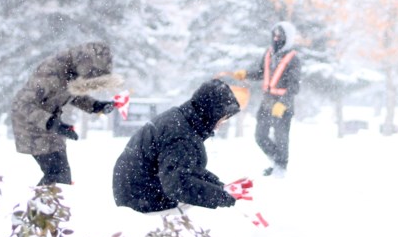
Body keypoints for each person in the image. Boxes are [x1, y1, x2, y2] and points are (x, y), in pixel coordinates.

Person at [112, 79, 242, 214]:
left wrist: (220, 187)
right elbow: (177, 184)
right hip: (143, 198)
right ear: (211, 113)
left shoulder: (183, 122)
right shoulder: (180, 134)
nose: (222, 123)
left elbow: (188, 169)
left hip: (141, 190)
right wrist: (220, 195)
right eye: (223, 118)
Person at [11, 42, 121, 185]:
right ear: (86, 64)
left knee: (60, 175)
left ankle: (45, 204)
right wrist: (52, 123)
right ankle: (41, 205)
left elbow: (70, 93)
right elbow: (23, 104)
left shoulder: (71, 69)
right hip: (30, 124)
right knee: (58, 174)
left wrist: (95, 106)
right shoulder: (50, 73)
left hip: (47, 124)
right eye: (92, 74)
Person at [232, 21, 302, 178]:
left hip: (283, 105)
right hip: (266, 102)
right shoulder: (269, 53)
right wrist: (246, 74)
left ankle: (281, 167)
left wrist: (283, 104)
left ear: (287, 38)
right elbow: (260, 72)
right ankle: (276, 160)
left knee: (281, 137)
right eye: (274, 35)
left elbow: (294, 87)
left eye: (280, 36)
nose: (276, 38)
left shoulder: (293, 59)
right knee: (260, 136)